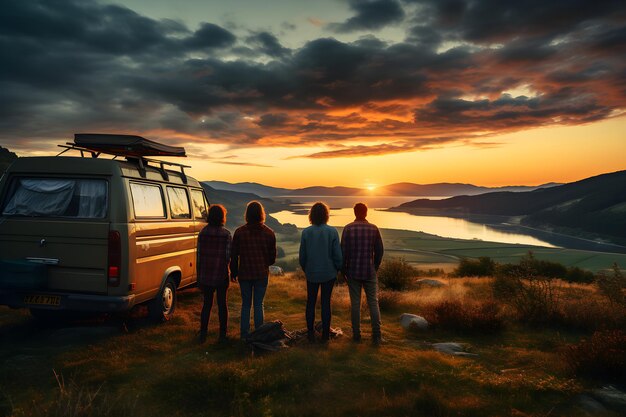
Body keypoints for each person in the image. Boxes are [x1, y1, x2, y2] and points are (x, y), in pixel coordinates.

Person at [230, 201, 277, 339]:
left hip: (244, 273)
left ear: (247, 215)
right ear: (261, 214)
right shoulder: (269, 233)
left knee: (246, 304)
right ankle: (259, 334)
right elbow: (272, 259)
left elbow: (234, 255)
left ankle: (244, 335)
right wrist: (263, 263)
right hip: (261, 274)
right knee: (258, 304)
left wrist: (233, 272)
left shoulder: (239, 232)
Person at [341, 202, 385, 345]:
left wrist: (344, 270)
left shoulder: (348, 229)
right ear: (366, 213)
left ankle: (356, 335)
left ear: (355, 213)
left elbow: (343, 252)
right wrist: (375, 267)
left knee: (355, 304)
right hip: (369, 271)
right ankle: (377, 336)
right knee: (373, 302)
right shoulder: (373, 228)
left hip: (353, 272)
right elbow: (379, 251)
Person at [299, 202, 342, 343]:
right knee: (325, 303)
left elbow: (302, 257)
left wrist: (307, 269)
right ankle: (325, 336)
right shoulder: (332, 231)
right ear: (326, 215)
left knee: (310, 302)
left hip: (312, 273)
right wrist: (337, 269)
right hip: (329, 273)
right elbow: (337, 255)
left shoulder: (306, 232)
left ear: (311, 215)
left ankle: (311, 333)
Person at [196, 204, 231, 344]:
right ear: (222, 217)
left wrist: (199, 276)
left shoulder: (202, 233)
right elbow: (228, 256)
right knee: (222, 304)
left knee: (207, 304)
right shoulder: (226, 234)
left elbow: (199, 256)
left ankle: (203, 334)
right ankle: (223, 335)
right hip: (221, 275)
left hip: (205, 275)